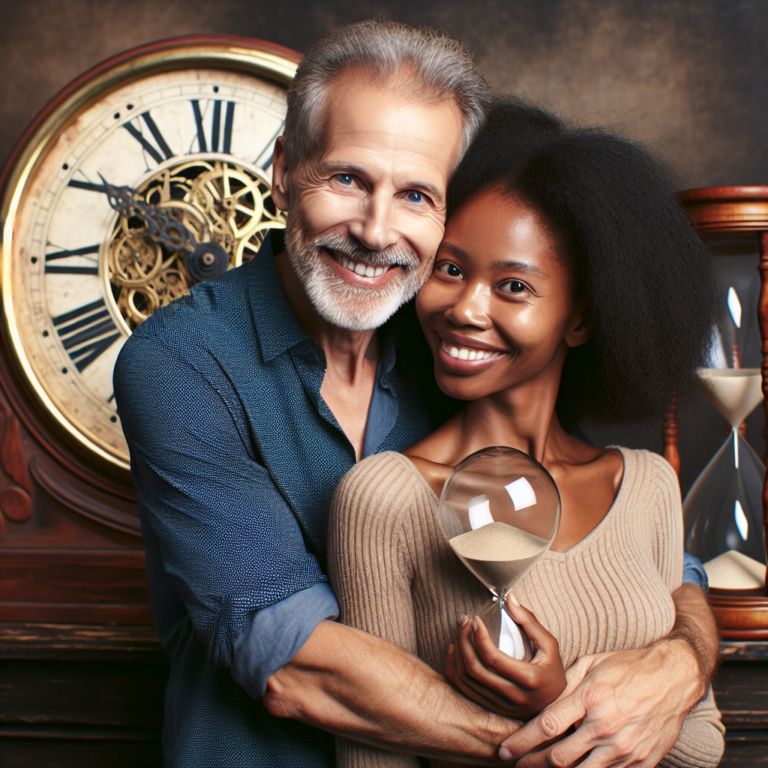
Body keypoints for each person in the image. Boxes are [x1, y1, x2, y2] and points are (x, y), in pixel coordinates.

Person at [114, 19, 718, 768]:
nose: (375, 231)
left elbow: (646, 548)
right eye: (347, 179)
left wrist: (685, 660)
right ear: (280, 172)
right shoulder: (180, 363)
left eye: (415, 196)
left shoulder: (454, 339)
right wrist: (575, 740)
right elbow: (294, 662)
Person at [329, 100, 725, 768]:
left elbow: (702, 745)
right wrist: (555, 712)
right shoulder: (384, 498)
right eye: (451, 269)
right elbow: (372, 756)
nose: (465, 309)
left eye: (512, 286)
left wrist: (558, 696)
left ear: (582, 320)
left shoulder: (648, 485)